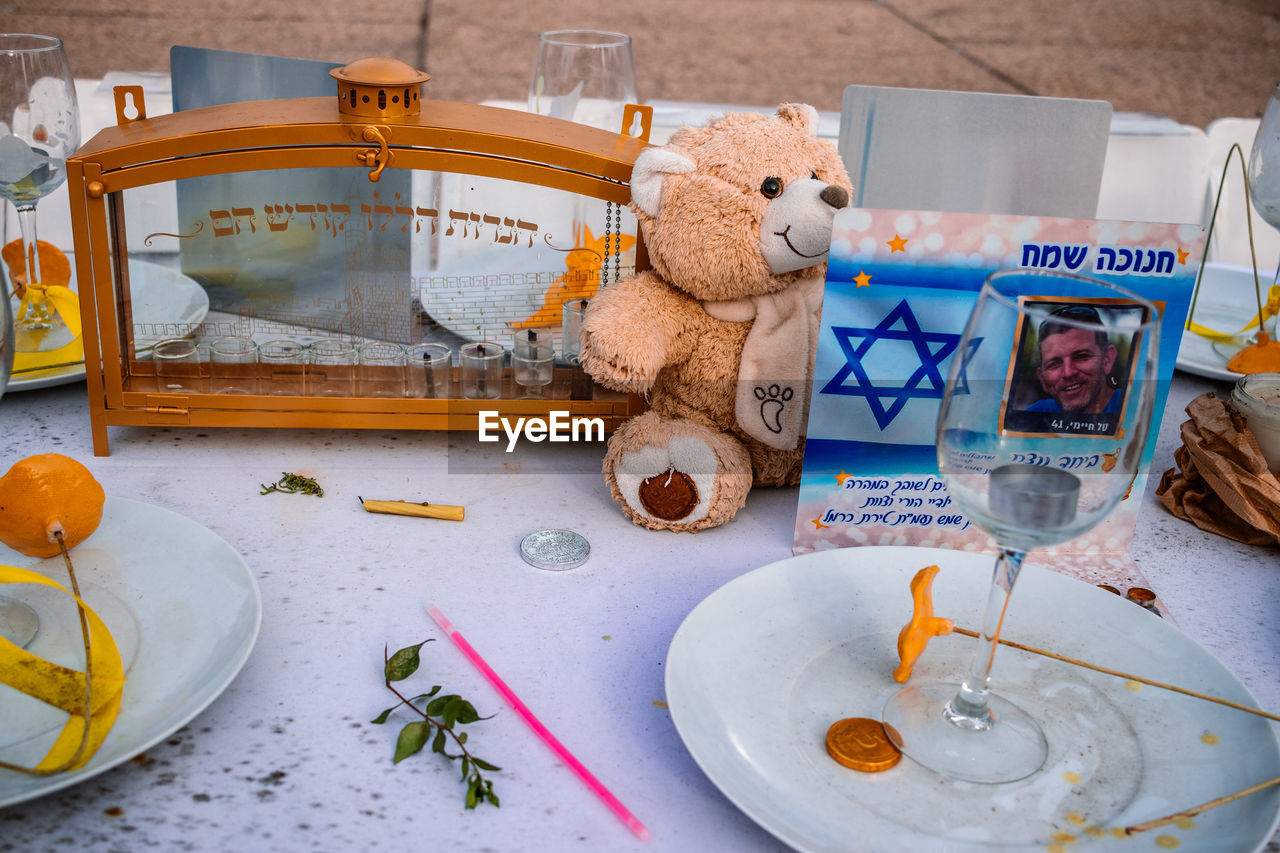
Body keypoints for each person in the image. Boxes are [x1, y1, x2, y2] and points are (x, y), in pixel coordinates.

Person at [1024, 305, 1120, 415]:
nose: (1068, 373)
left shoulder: (1134, 409)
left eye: (1081, 356)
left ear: (1107, 360)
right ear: (1042, 379)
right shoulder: (1036, 414)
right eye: (1054, 364)